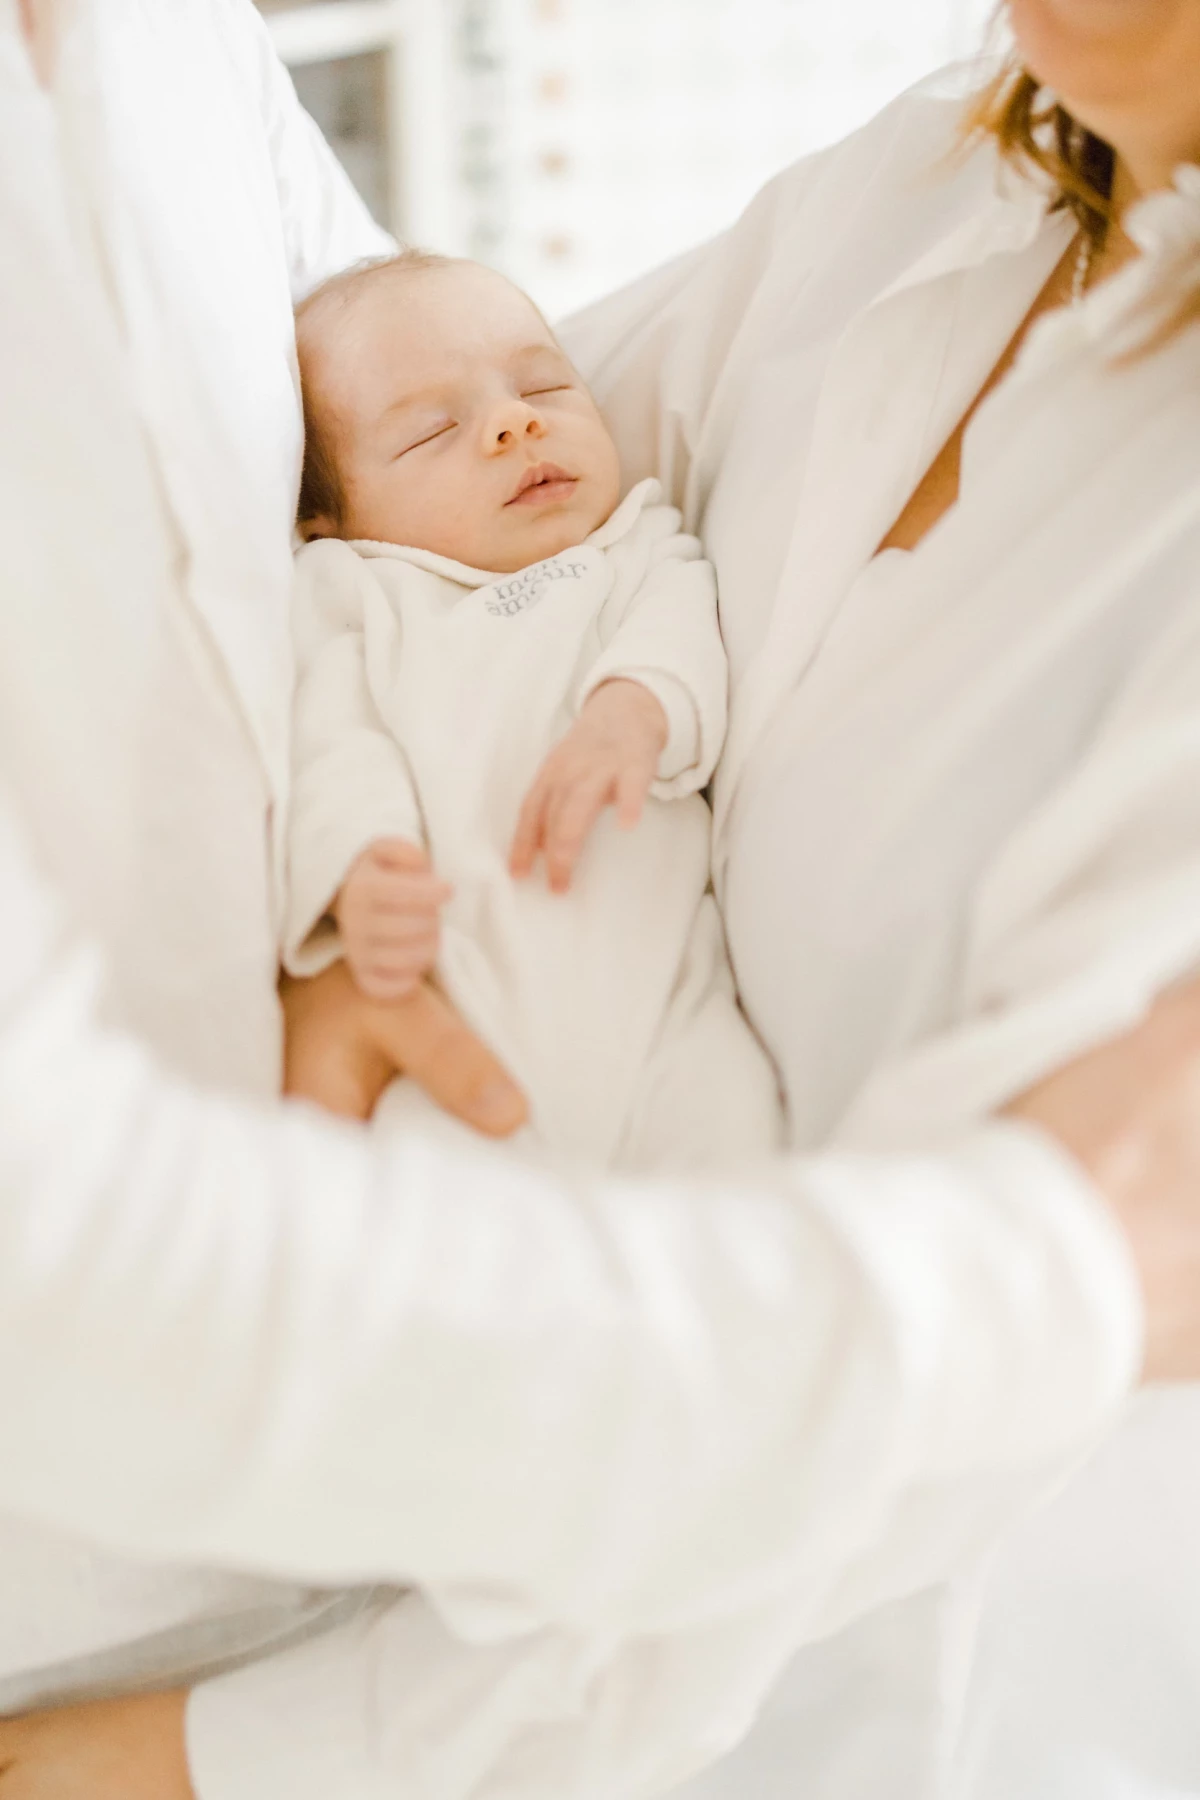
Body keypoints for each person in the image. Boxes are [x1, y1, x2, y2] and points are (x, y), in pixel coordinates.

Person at [1, 1, 1200, 1797]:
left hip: (584, 1707)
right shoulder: (951, 181)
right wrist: (311, 906)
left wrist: (181, 1765)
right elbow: (365, 447)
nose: (519, 426)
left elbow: (923, 1452)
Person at [285, 250, 779, 1164]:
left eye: (544, 387)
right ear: (332, 516)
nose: (514, 424)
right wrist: (359, 859)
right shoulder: (354, 590)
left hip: (670, 1015)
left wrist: (631, 712)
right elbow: (330, 736)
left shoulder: (632, 545)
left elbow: (681, 635)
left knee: (737, 1166)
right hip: (457, 1015)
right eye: (433, 431)